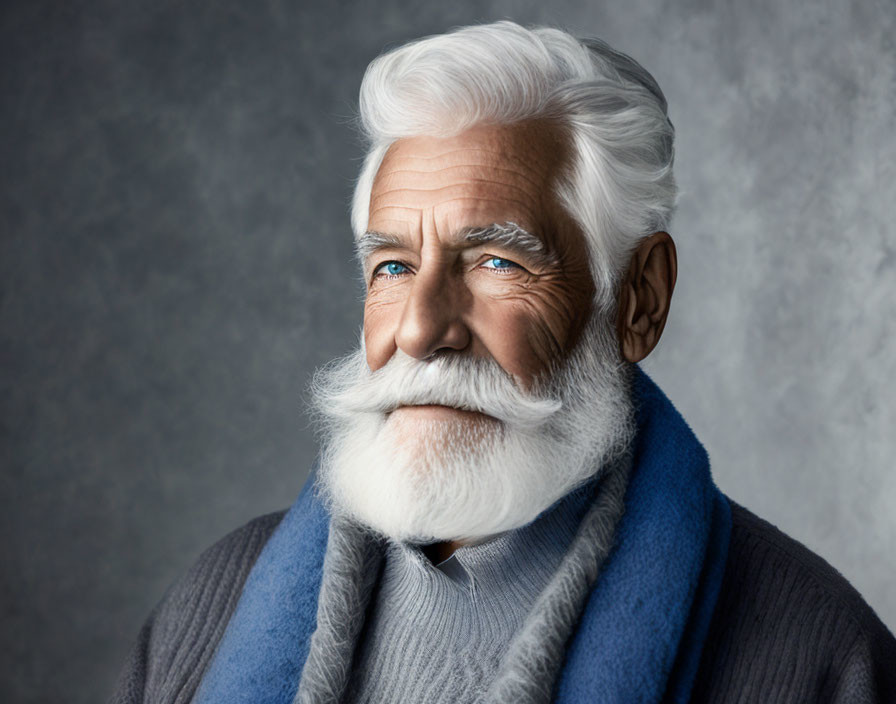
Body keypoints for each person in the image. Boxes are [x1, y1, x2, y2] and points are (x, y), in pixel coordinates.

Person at [110, 21, 896, 704]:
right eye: (392, 267)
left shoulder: (820, 658)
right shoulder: (211, 605)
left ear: (639, 300)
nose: (420, 330)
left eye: (496, 262)